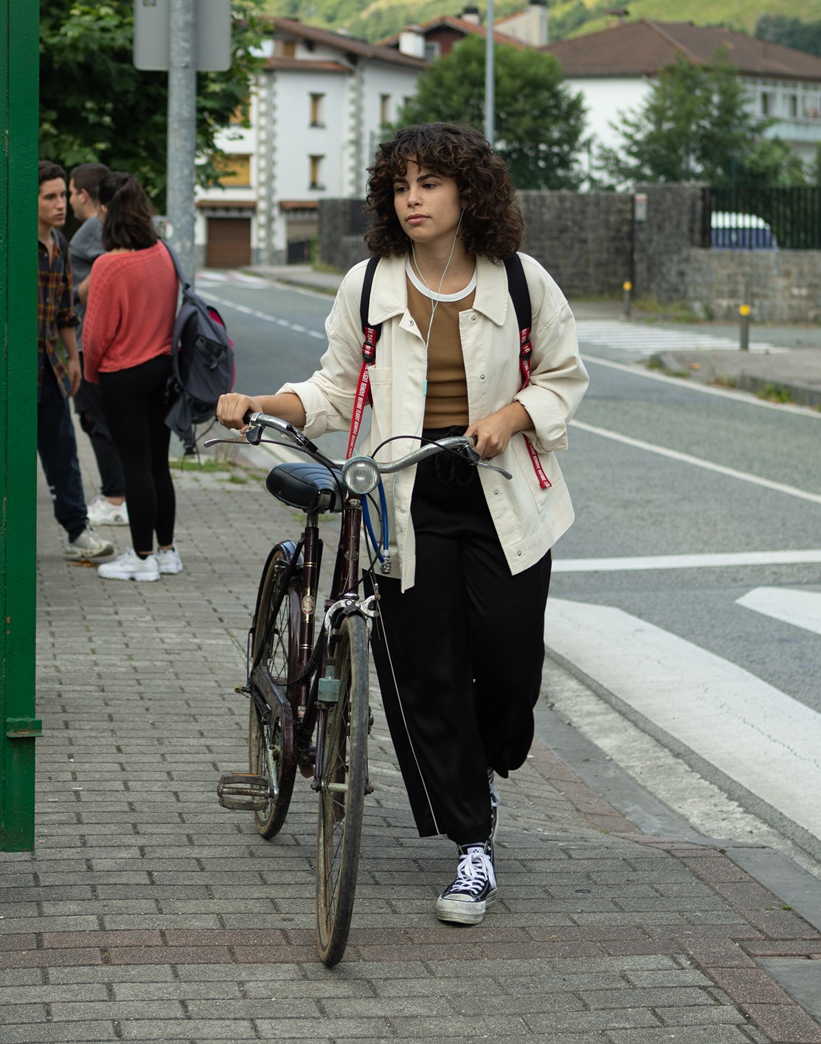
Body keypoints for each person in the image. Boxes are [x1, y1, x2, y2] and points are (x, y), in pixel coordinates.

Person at [216, 122, 586, 927]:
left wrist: (516, 412)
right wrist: (262, 404)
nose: (412, 199)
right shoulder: (369, 285)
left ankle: (479, 768)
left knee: (513, 663)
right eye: (400, 186)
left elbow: (563, 377)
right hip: (402, 496)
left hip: (502, 489)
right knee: (427, 673)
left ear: (468, 192)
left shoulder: (521, 282)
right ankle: (471, 841)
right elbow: (331, 387)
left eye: (429, 183)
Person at [79, 172, 182, 582]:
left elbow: (96, 333)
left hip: (122, 374)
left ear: (105, 211)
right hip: (162, 368)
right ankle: (166, 551)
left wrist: (90, 376)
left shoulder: (108, 265)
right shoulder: (162, 252)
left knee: (134, 466)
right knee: (158, 463)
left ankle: (141, 560)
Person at [33, 161, 116, 563]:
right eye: (49, 197)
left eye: (62, 195)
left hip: (50, 364)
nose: (60, 204)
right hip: (14, 366)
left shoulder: (61, 245)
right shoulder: (17, 245)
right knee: (5, 454)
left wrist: (72, 357)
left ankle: (76, 530)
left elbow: (66, 309)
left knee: (63, 449)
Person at [66, 161, 127, 529]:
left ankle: (114, 497)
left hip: (90, 343)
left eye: (70, 192)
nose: (68, 201)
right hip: (111, 342)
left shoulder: (91, 231)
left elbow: (83, 292)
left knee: (96, 422)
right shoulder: (108, 228)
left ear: (85, 195)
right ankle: (116, 493)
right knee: (111, 423)